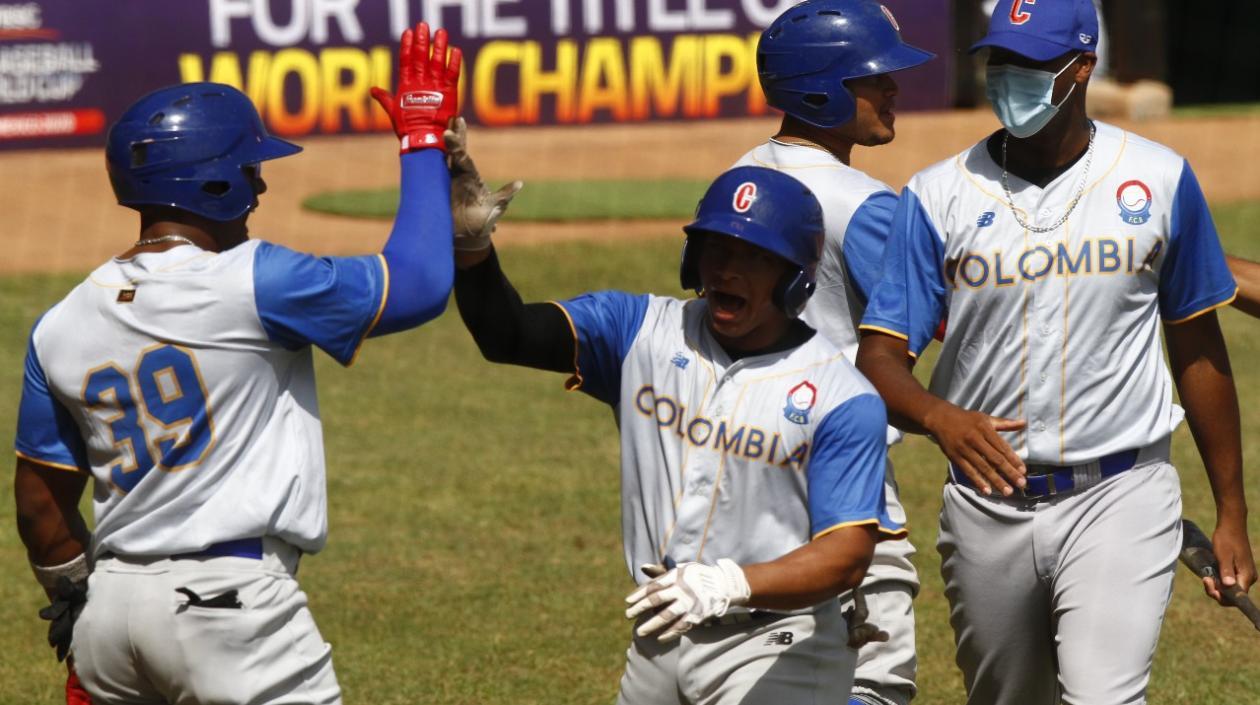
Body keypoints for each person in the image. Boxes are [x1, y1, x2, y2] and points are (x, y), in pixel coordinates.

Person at [14, 23, 461, 704]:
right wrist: (424, 138)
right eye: (251, 170)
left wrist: (74, 595)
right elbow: (422, 281)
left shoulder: (61, 323)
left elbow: (40, 504)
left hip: (109, 621)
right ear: (215, 182)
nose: (260, 188)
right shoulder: (259, 281)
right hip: (232, 611)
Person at [854, 1, 1256, 703]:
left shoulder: (1159, 179)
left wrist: (1231, 513)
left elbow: (1198, 346)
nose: (1010, 78)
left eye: (1032, 65)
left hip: (1121, 491)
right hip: (986, 504)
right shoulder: (937, 194)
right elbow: (881, 356)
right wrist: (939, 417)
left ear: (1082, 67)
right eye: (999, 62)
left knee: (1103, 695)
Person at [448, 141, 904, 703]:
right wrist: (472, 250)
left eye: (755, 256)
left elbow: (847, 555)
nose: (728, 270)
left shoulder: (841, 396)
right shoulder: (638, 331)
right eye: (716, 247)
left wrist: (729, 584)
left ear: (794, 278)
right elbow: (507, 335)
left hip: (778, 648)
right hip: (658, 641)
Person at [736, 3, 933, 703]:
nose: (892, 90)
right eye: (873, 78)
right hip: (844, 479)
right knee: (874, 681)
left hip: (745, 460)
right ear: (821, 90)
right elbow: (942, 322)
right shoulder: (865, 203)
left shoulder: (738, 181)